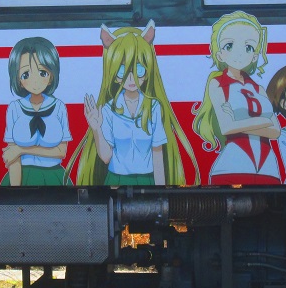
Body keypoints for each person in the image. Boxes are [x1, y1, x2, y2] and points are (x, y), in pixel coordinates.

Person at [75, 21, 197, 186]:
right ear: (114, 75)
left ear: (148, 71)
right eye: (122, 71)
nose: (131, 78)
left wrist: (160, 190)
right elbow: (106, 157)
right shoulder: (108, 109)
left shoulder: (154, 107)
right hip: (115, 179)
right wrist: (96, 129)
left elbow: (157, 154)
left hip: (147, 179)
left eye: (139, 69)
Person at [192, 11, 281, 184]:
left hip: (268, 166)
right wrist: (264, 121)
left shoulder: (259, 89)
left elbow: (276, 131)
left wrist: (238, 124)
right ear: (220, 54)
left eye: (248, 47)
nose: (239, 53)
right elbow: (226, 128)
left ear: (254, 55)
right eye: (229, 45)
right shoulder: (217, 84)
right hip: (234, 163)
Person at [1, 37, 71, 186]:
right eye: (26, 74)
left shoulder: (58, 106)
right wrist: (15, 190)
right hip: (22, 176)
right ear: (18, 79)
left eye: (42, 73)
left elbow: (61, 151)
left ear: (51, 76)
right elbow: (12, 157)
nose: (35, 81)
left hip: (54, 175)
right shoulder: (14, 108)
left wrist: (21, 150)